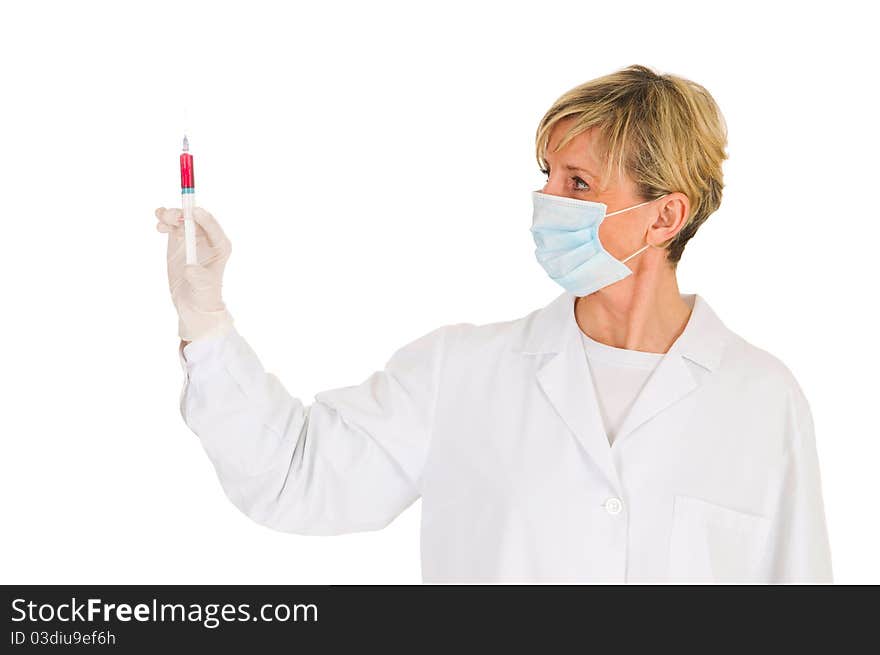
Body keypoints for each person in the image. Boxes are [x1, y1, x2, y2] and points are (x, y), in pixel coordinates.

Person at [155, 64, 832, 583]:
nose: (545, 201)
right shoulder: (462, 372)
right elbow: (295, 476)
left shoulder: (762, 399)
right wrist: (206, 321)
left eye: (578, 183)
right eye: (548, 175)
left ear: (663, 217)